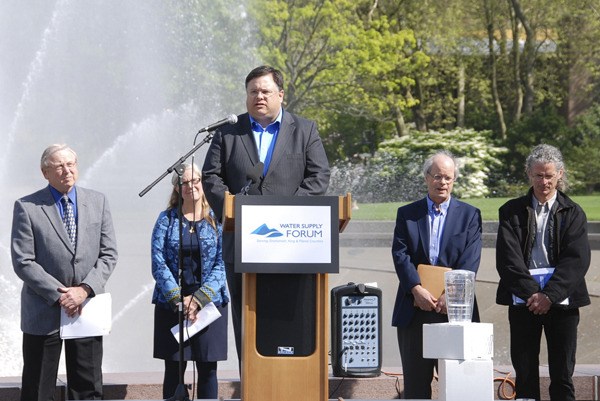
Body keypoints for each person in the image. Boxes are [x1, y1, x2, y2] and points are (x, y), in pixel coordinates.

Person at [202, 65, 330, 363]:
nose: (258, 96)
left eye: (265, 91)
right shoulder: (228, 132)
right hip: (242, 243)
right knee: (248, 323)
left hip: (292, 246)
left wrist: (286, 216)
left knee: (289, 324)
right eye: (253, 92)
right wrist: (235, 210)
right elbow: (211, 178)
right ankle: (251, 385)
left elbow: (318, 177)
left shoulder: (305, 130)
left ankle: (291, 386)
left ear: (280, 95)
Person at [11, 144, 118, 400]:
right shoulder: (28, 207)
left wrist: (84, 290)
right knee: (38, 389)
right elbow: (23, 261)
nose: (66, 170)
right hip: (43, 311)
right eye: (59, 166)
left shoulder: (97, 201)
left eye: (71, 164)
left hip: (86, 309)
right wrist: (61, 296)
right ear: (45, 172)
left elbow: (109, 253)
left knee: (87, 388)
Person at [496, 144, 590, 401]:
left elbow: (576, 261)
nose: (544, 181)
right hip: (523, 302)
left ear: (560, 174)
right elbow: (508, 260)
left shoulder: (573, 213)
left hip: (563, 303)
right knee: (525, 373)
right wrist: (533, 295)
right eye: (538, 175)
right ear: (529, 174)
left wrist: (549, 295)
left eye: (549, 175)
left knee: (562, 374)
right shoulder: (510, 211)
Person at [391, 150, 482, 399]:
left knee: (459, 386)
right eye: (438, 176)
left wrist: (450, 296)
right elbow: (400, 255)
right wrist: (416, 289)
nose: (443, 183)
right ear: (426, 177)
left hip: (454, 311)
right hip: (414, 310)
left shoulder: (469, 215)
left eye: (448, 178)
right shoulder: (407, 214)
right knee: (416, 386)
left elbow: (470, 260)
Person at [151, 163, 229, 399]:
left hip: (210, 305)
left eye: (195, 181)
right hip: (172, 304)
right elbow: (158, 261)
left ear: (203, 184)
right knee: (173, 369)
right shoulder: (166, 220)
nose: (190, 186)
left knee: (207, 369)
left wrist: (198, 299)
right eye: (184, 182)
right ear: (177, 188)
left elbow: (223, 262)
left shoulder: (218, 219)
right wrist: (179, 300)